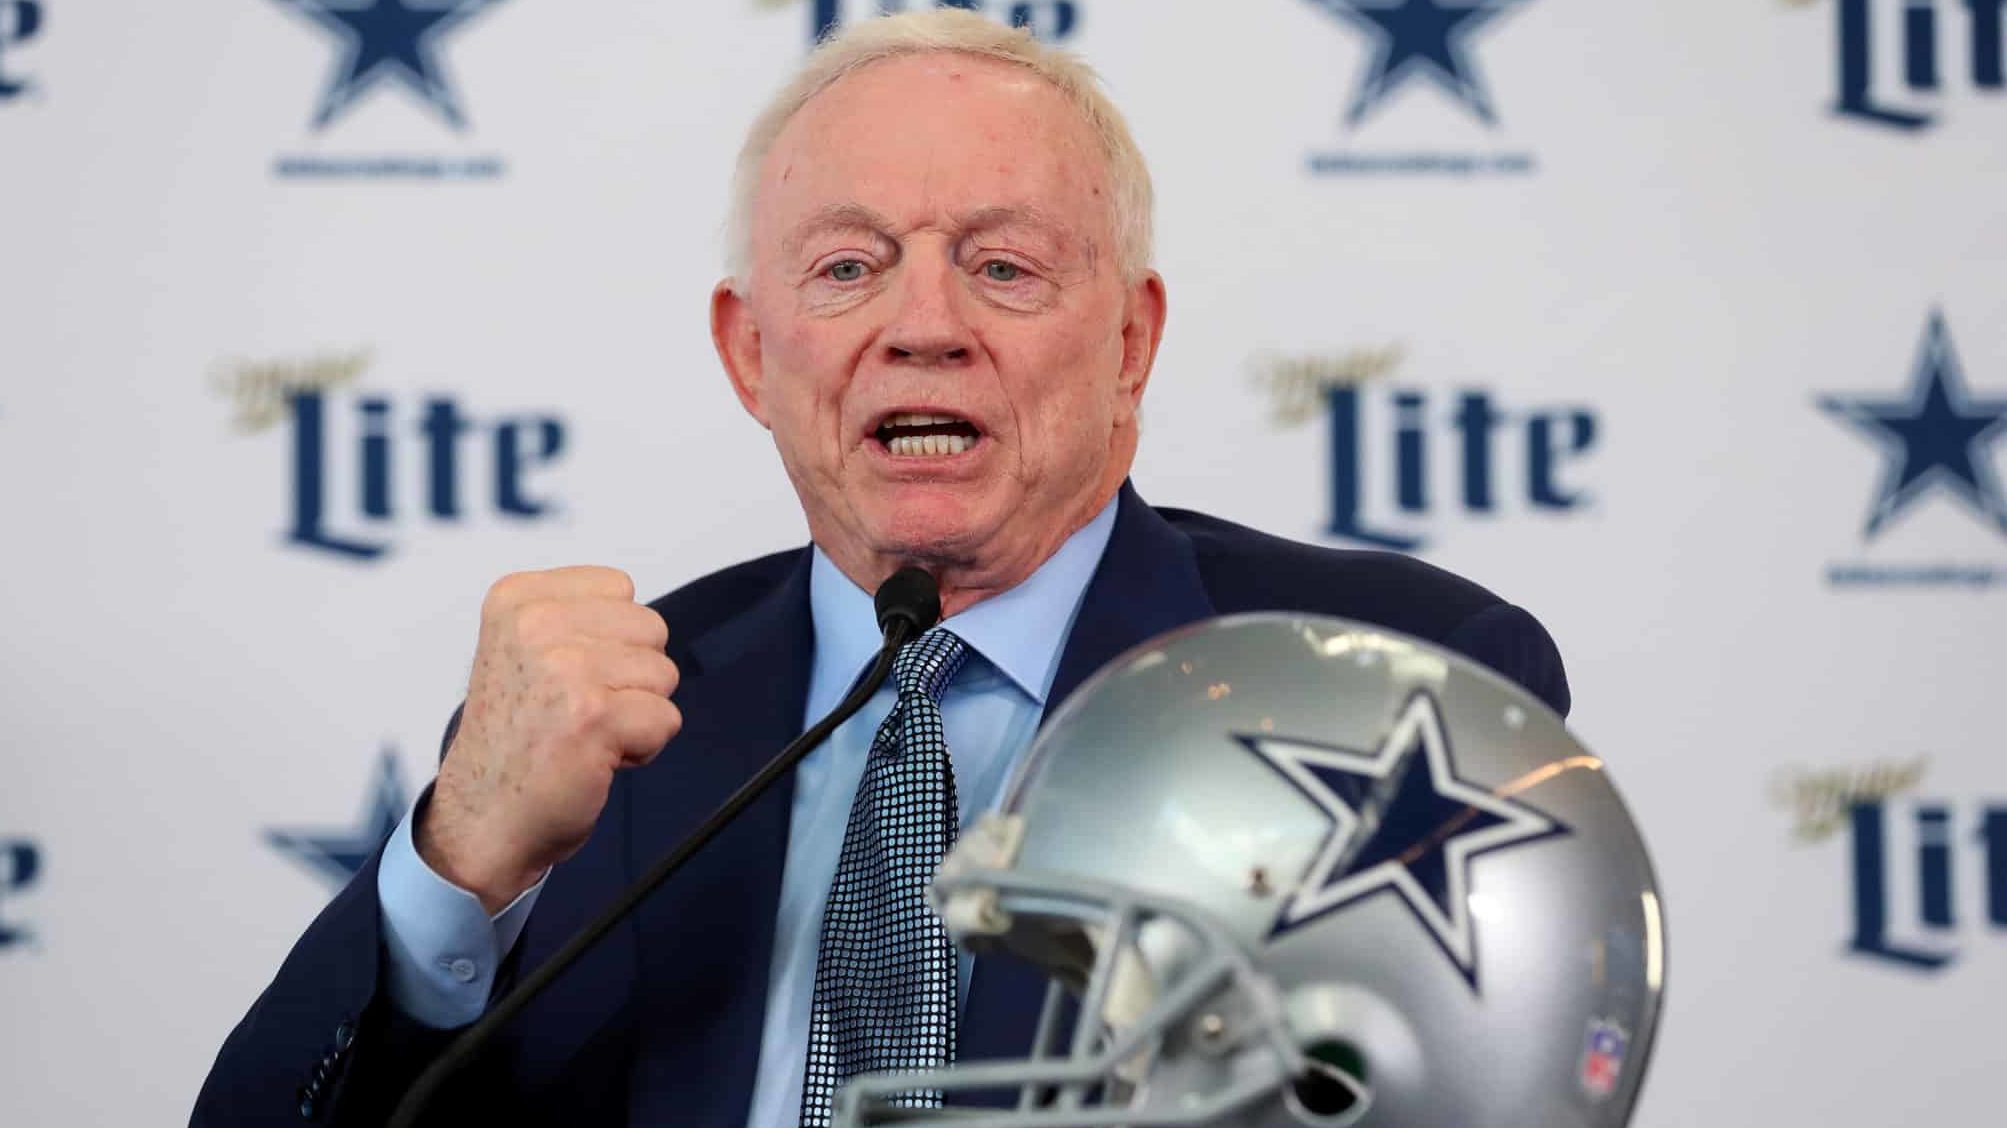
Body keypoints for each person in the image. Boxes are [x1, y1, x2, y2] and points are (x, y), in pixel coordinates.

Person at [191, 10, 1569, 1127]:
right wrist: (459, 864)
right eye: (848, 267)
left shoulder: (1390, 685)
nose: (924, 324)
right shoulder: (606, 723)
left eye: (1005, 267)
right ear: (750, 354)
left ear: (1132, 345)